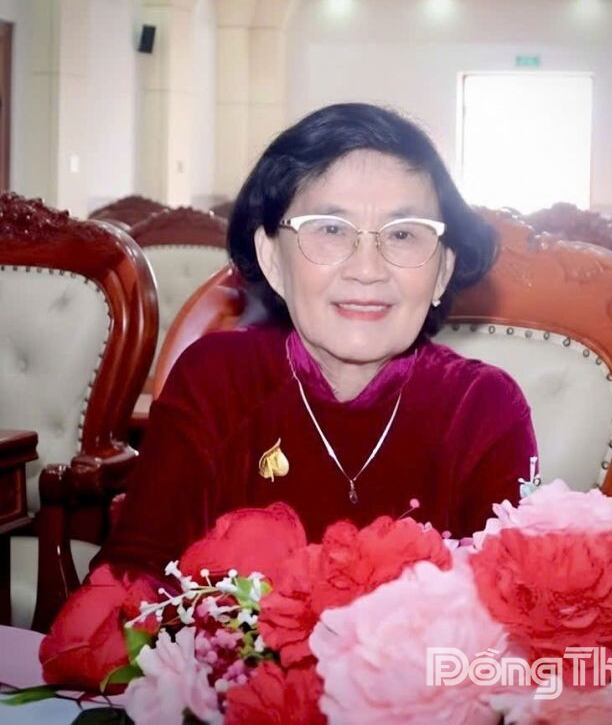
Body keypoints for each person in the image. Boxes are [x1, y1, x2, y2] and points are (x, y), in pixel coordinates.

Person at [40, 103, 537, 681]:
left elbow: (508, 635)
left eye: (403, 234)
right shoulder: (215, 381)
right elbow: (137, 575)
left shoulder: (483, 407)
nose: (367, 269)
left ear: (442, 271)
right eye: (330, 230)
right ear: (273, 258)